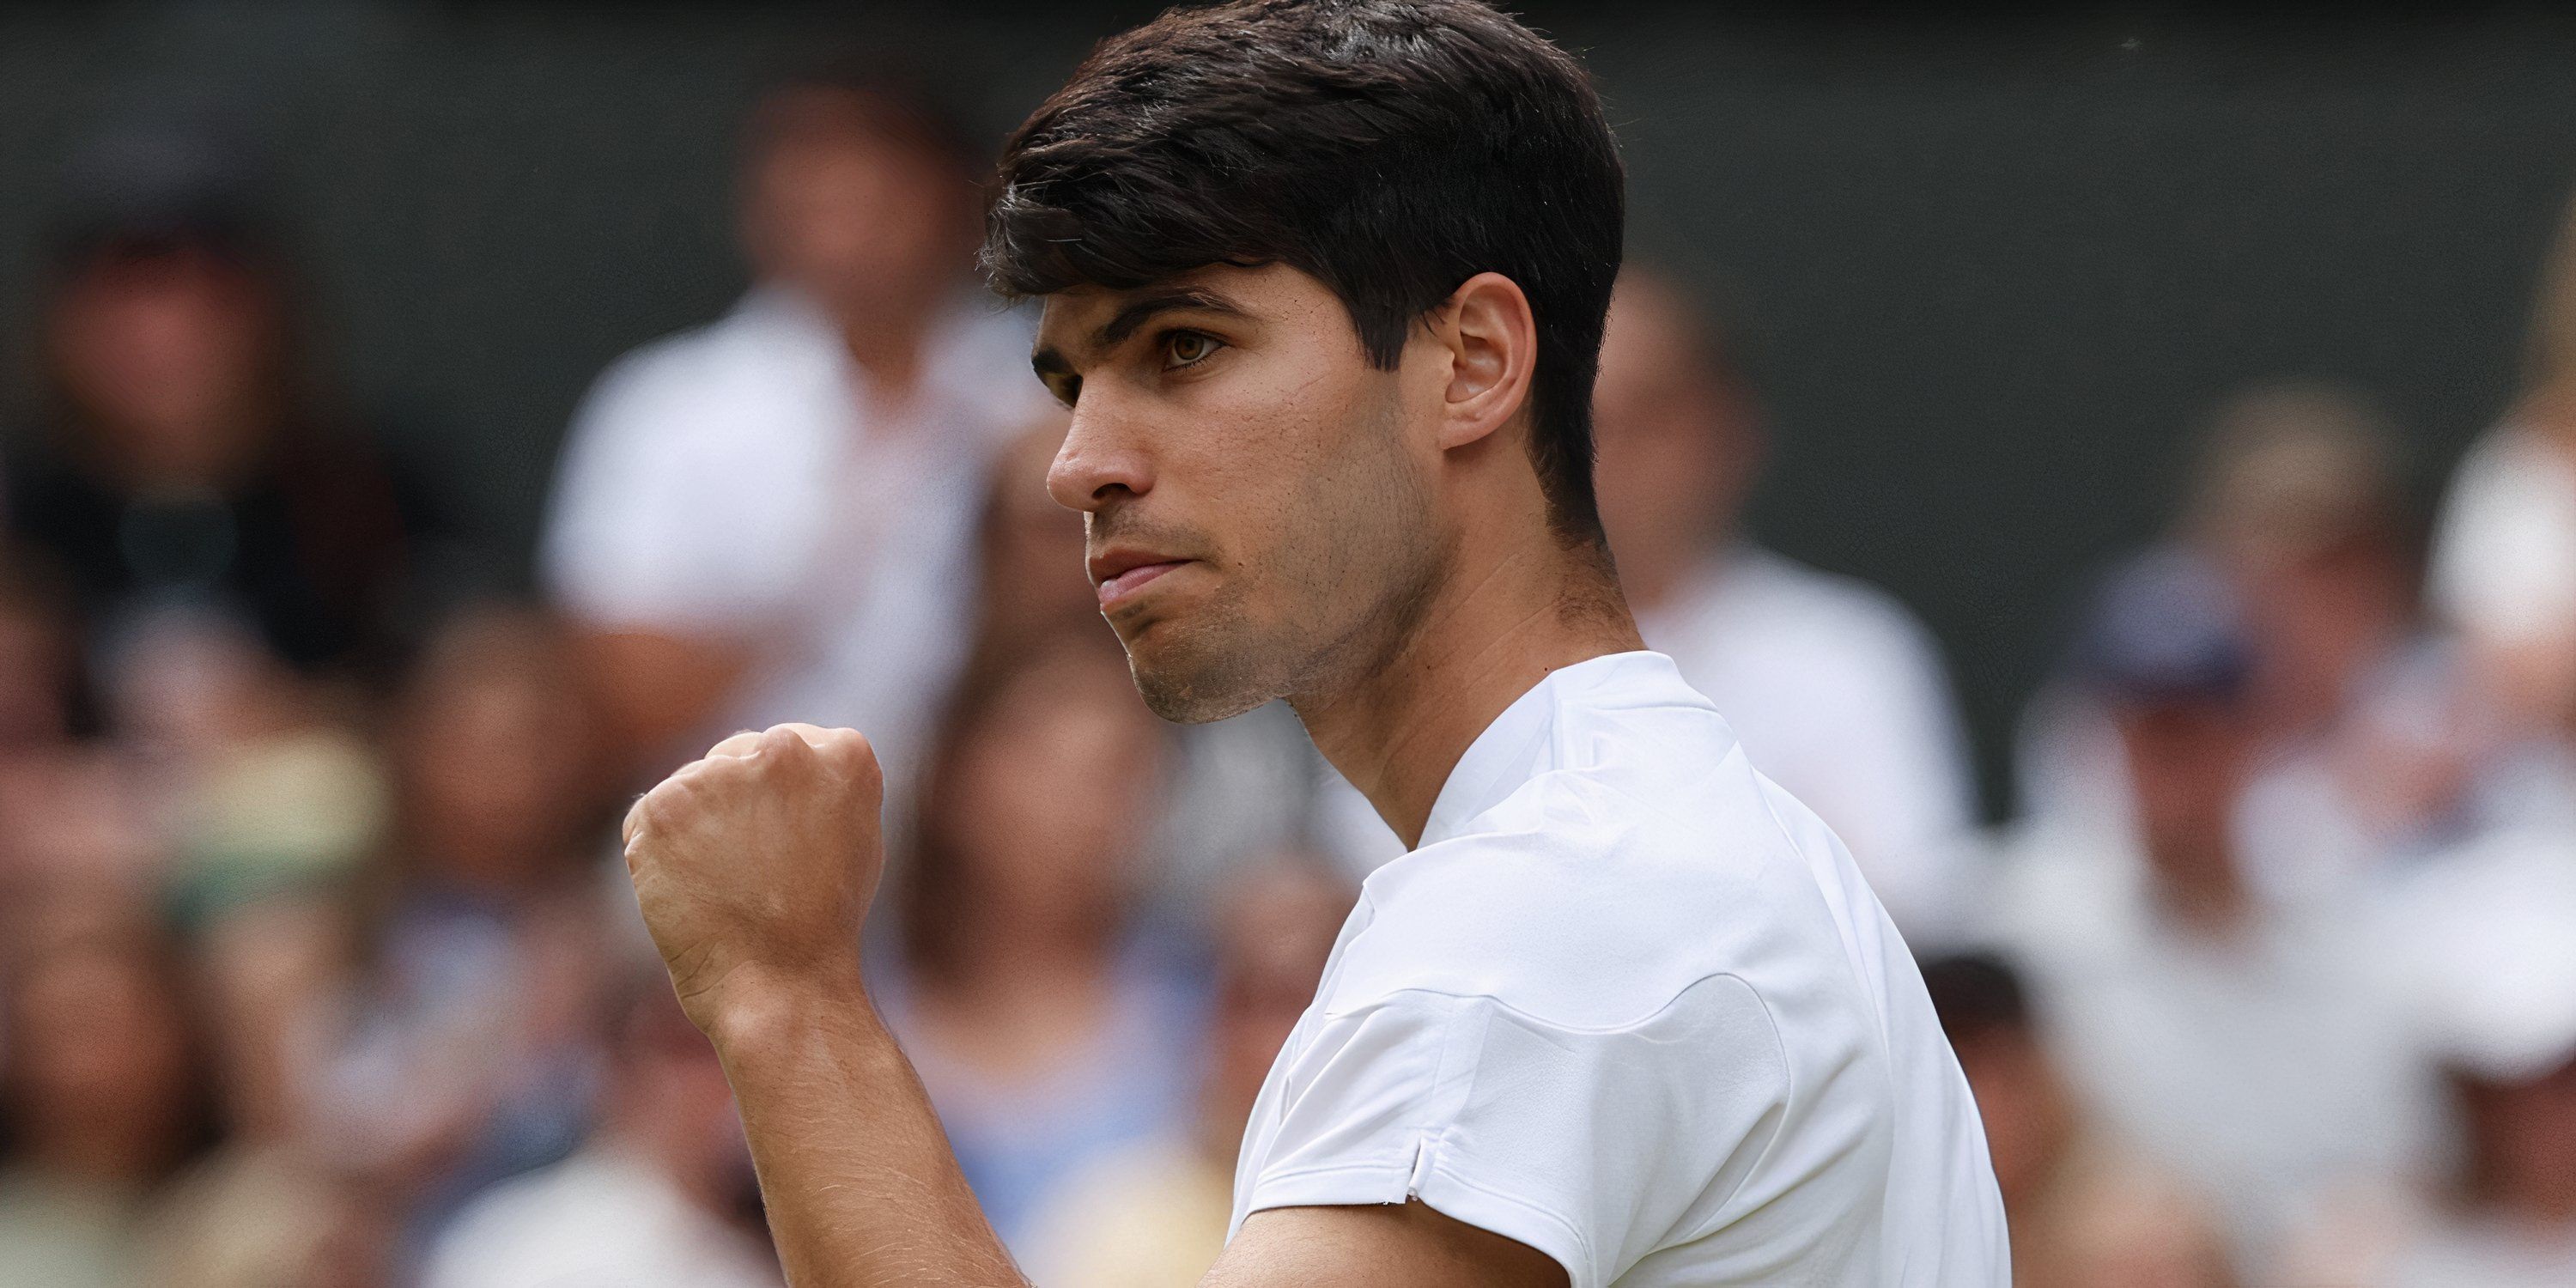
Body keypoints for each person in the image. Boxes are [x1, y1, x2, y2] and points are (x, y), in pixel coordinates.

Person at [620, 3, 2007, 1285]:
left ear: (1473, 362)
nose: (1078, 463)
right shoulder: (1676, 849)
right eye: (1067, 380)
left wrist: (785, 996)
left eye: (1182, 346)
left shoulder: (1549, 924)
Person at [540, 59, 1046, 787]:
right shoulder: (670, 407)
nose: (849, 234)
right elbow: (625, 702)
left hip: (993, 853)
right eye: (815, 198)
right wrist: (844, 528)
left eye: (879, 197)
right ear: (761, 209)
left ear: (957, 199)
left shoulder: (1047, 384)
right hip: (727, 845)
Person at [1990, 550, 2434, 1274]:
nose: (2164, 765)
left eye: (2191, 729)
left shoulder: (2346, 947)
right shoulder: (2018, 930)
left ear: (2251, 735)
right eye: (2142, 730)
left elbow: (2400, 1186)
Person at [1591, 268, 1980, 940]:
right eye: (1580, 418)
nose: (1606, 454)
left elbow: (1916, 921)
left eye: (1646, 416)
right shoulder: (1457, 670)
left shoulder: (1848, 658)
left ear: (1728, 430)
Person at [8, 118, 445, 680]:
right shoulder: (21, 514)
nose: (168, 332)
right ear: (61, 320)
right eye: (131, 291)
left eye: (209, 292)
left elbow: (477, 692)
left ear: (274, 311)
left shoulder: (372, 507)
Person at [870, 632, 1206, 1249]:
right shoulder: (859, 1013)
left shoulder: (1203, 1013)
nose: (1079, 811)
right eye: (1045, 766)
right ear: (953, 776)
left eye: (1115, 774)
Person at [1018, 857, 1353, 1288]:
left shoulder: (1420, 1227)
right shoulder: (1113, 1228)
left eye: (1303, 1001)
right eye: (1248, 1003)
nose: (1276, 1044)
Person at [417, 972, 778, 1288]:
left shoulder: (767, 1249)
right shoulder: (520, 1248)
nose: (732, 1077)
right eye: (695, 1045)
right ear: (622, 1061)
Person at [1918, 952, 2233, 1288]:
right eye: (1963, 1076)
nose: (1986, 1101)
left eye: (2001, 1069)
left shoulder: (2143, 1238)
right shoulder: (1923, 1231)